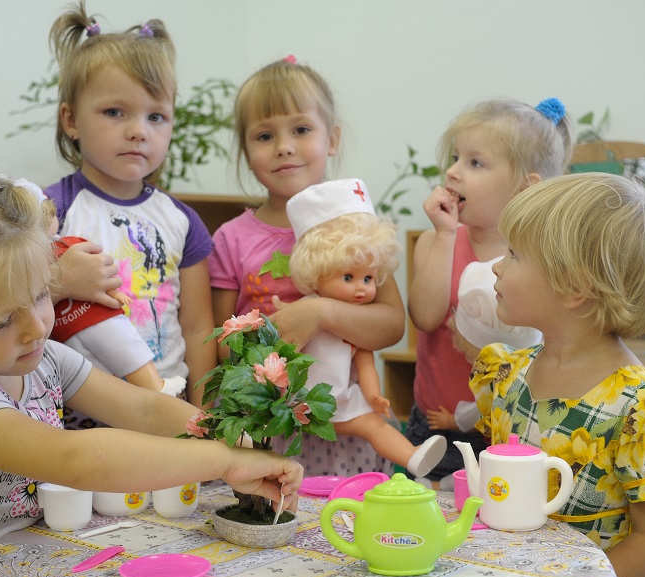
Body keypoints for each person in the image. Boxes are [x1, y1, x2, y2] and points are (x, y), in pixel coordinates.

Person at [0, 160, 303, 577]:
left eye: (40, 295)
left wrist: (230, 440)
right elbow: (78, 459)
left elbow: (143, 407)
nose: (37, 327)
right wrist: (222, 464)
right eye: (1, 320)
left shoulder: (41, 357)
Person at [470, 172, 645, 577]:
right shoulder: (508, 375)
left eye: (513, 254)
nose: (496, 265)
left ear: (574, 286)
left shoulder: (643, 412)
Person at [209, 56, 404, 476]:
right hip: (266, 428)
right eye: (264, 135)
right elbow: (220, 346)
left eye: (301, 129)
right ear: (246, 150)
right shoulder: (231, 238)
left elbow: (392, 325)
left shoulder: (358, 227)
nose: (284, 146)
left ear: (331, 138)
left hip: (348, 424)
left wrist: (319, 312)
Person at [44, 1, 215, 409]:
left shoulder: (182, 221)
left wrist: (205, 409)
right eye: (115, 112)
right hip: (73, 415)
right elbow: (13, 302)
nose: (138, 131)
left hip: (166, 408)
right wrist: (60, 281)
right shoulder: (50, 210)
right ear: (71, 121)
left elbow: (196, 326)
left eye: (156, 117)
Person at [406, 97, 573, 490]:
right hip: (435, 424)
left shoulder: (542, 261)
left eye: (475, 163)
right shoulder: (434, 241)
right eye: (455, 157)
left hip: (513, 430)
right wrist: (446, 235)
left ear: (524, 186)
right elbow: (425, 318)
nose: (452, 171)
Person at [287, 178, 446, 477]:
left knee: (373, 422)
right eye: (348, 277)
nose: (361, 289)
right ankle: (411, 455)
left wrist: (374, 396)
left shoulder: (354, 323)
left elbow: (366, 363)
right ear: (316, 273)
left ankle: (413, 456)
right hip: (306, 405)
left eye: (369, 278)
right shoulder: (302, 313)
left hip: (334, 403)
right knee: (371, 425)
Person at [31, 187, 186, 397]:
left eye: (49, 213)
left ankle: (156, 388)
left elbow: (100, 269)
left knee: (126, 348)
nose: (49, 219)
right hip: (69, 329)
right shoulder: (30, 256)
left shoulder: (68, 243)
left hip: (94, 316)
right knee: (101, 363)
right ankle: (149, 390)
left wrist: (114, 292)